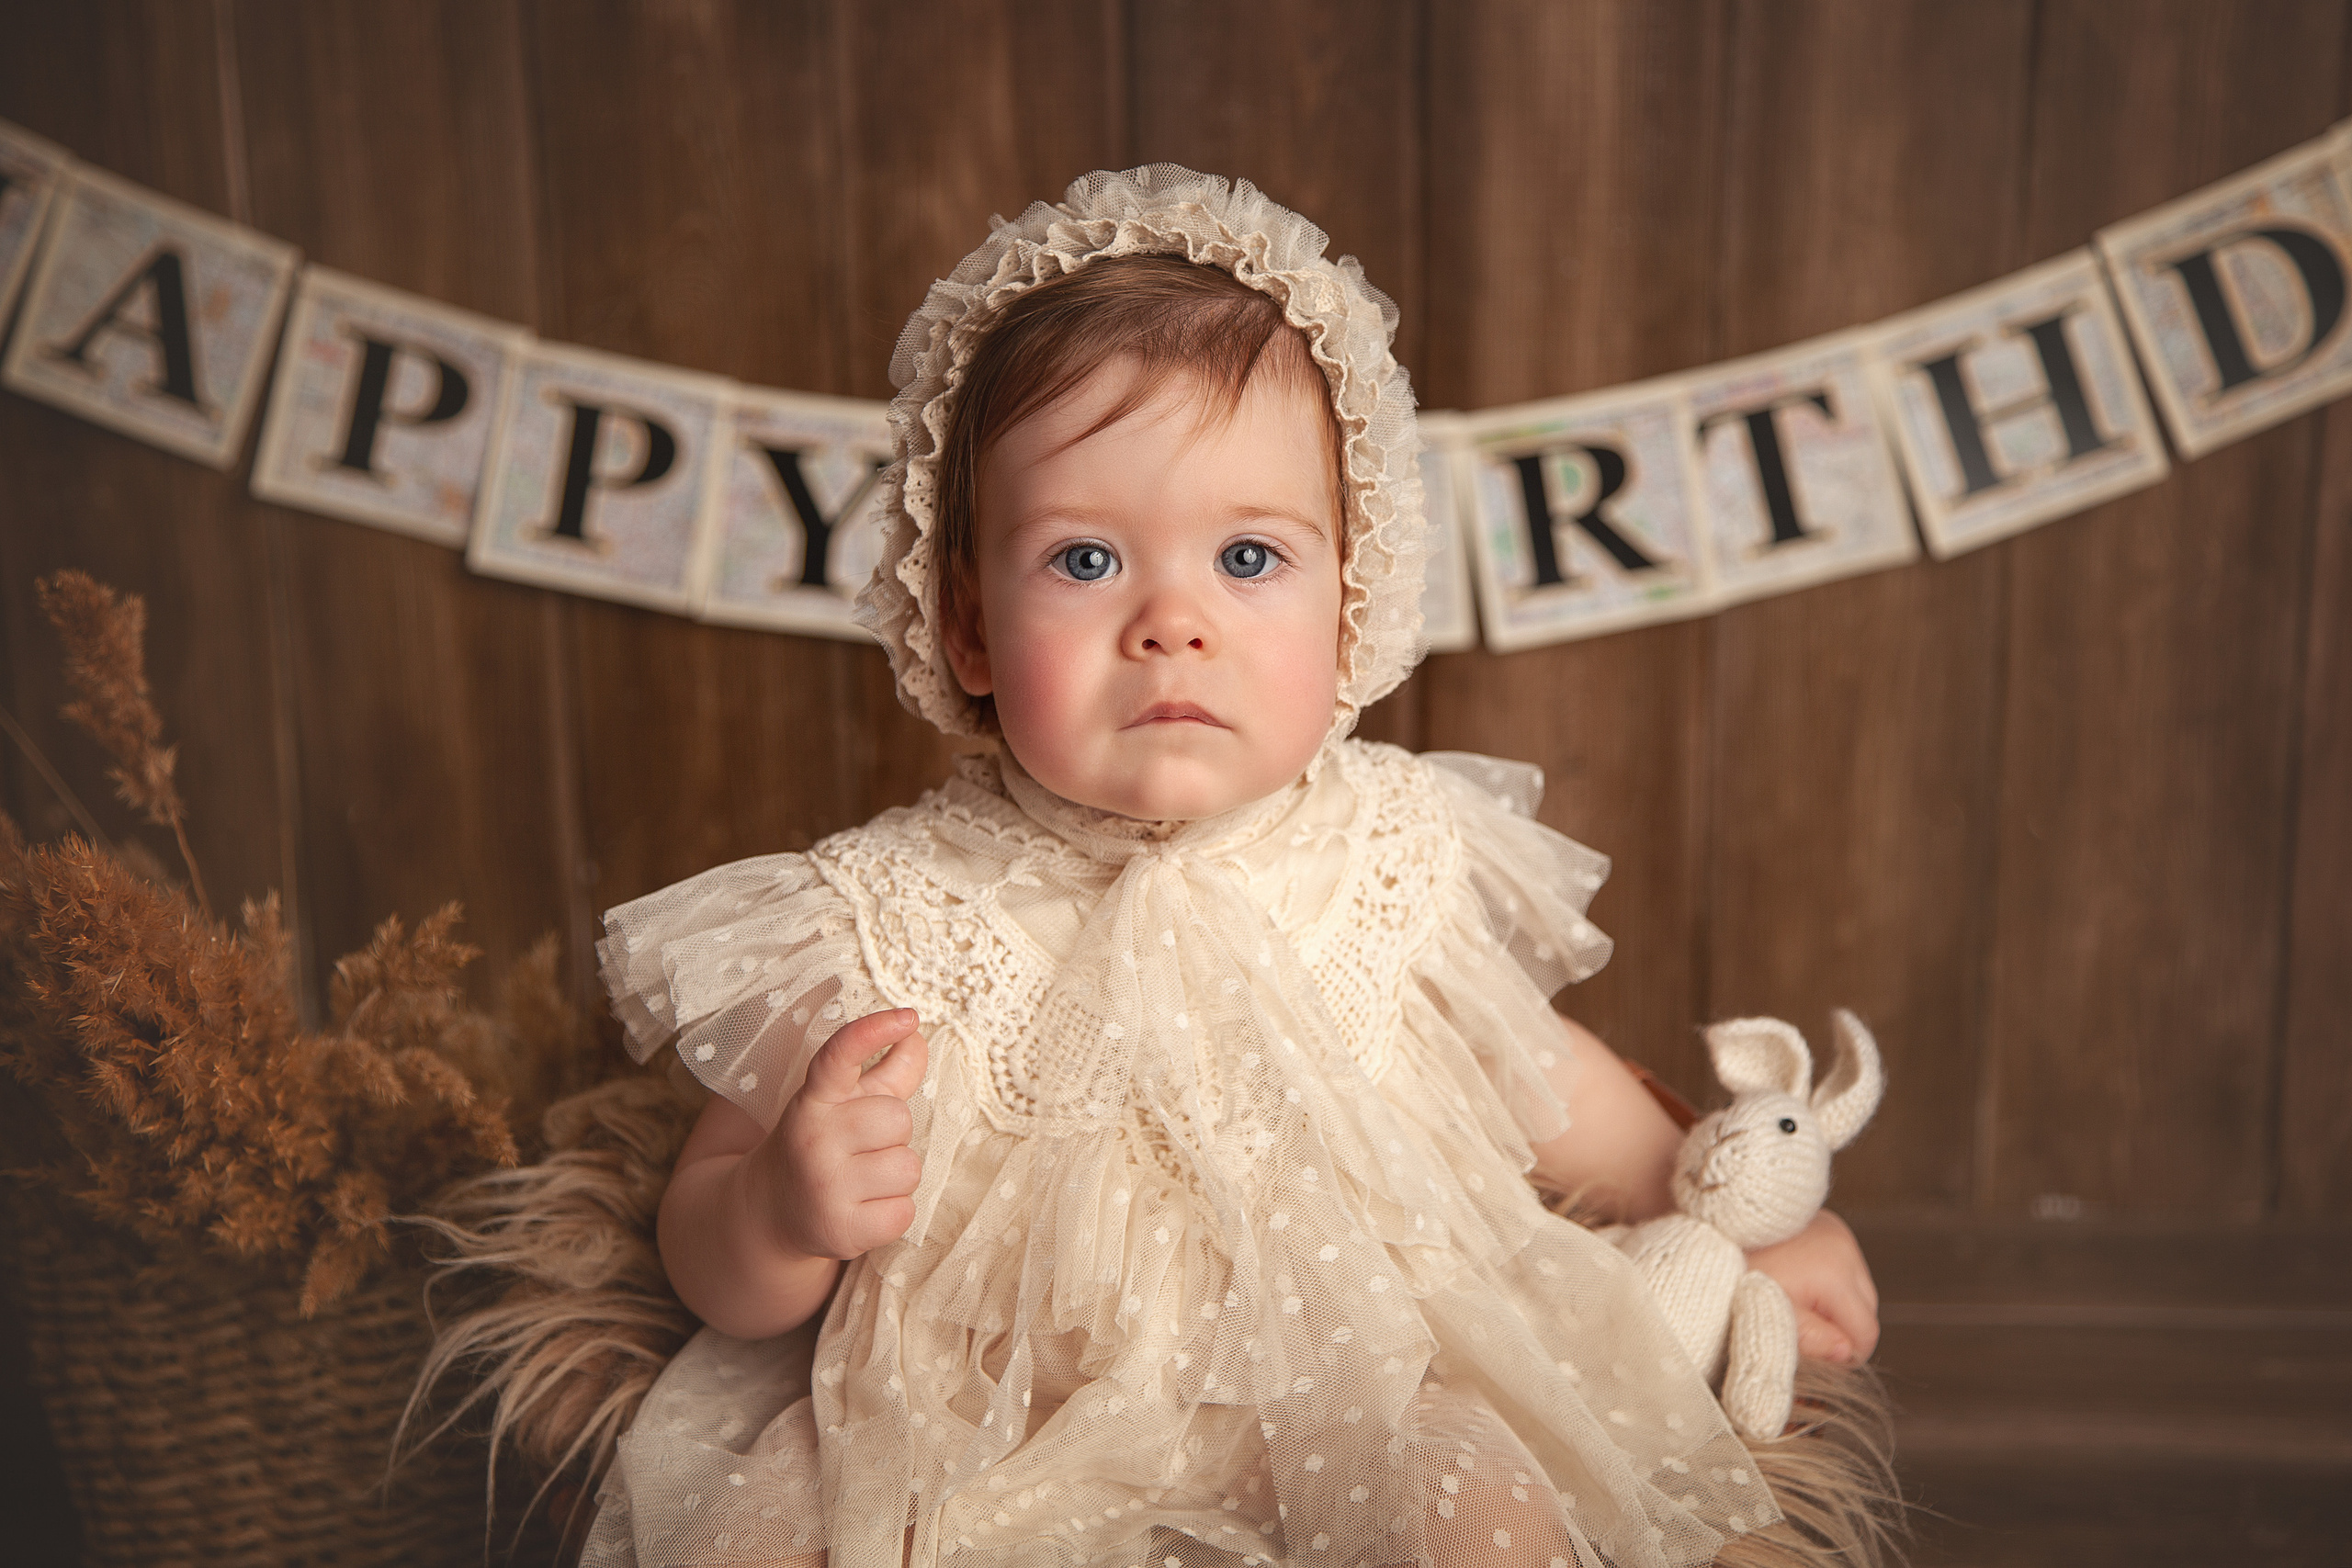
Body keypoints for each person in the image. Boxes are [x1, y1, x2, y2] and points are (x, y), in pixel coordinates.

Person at [581, 166, 1885, 1568]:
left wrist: (1740, 1222)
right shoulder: (880, 916)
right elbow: (713, 1265)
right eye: (1085, 560)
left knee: (1491, 1517)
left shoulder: (1388, 854)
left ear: (1353, 602)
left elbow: (1542, 1077)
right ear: (965, 626)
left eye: (1249, 557)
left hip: (1361, 1388)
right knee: (781, 1537)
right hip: (972, 1418)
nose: (1172, 623)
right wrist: (780, 1209)